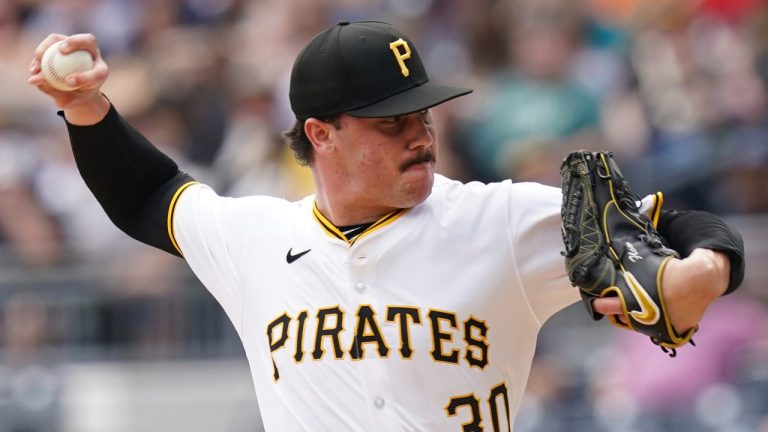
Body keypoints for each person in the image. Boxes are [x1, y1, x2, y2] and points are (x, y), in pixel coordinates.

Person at [28, 21, 744, 431]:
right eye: (391, 121)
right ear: (322, 134)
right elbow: (150, 195)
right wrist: (88, 111)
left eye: (423, 115)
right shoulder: (255, 237)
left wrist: (703, 273)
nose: (420, 134)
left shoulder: (497, 217)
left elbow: (675, 222)